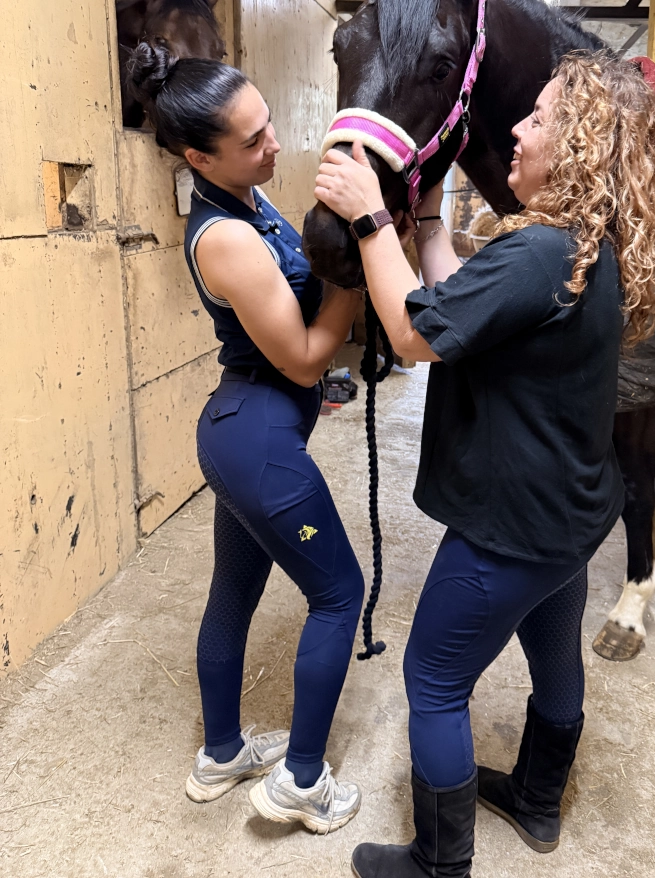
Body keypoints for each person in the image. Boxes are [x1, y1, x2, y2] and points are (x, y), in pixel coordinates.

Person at [314, 51, 655, 875]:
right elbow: (461, 311)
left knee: (434, 681)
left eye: (542, 118)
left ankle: (439, 866)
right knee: (554, 659)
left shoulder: (540, 252)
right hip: (572, 520)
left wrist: (374, 221)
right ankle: (538, 801)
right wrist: (431, 222)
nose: (518, 129)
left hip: (512, 528)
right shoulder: (584, 248)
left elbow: (413, 337)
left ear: (583, 144)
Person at [127, 43, 365, 833]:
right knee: (338, 595)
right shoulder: (223, 236)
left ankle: (220, 753)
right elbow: (299, 358)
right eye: (255, 139)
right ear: (200, 156)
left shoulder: (252, 204)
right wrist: (359, 274)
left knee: (233, 593)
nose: (273, 145)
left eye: (269, 125)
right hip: (258, 437)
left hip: (245, 429)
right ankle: (302, 782)